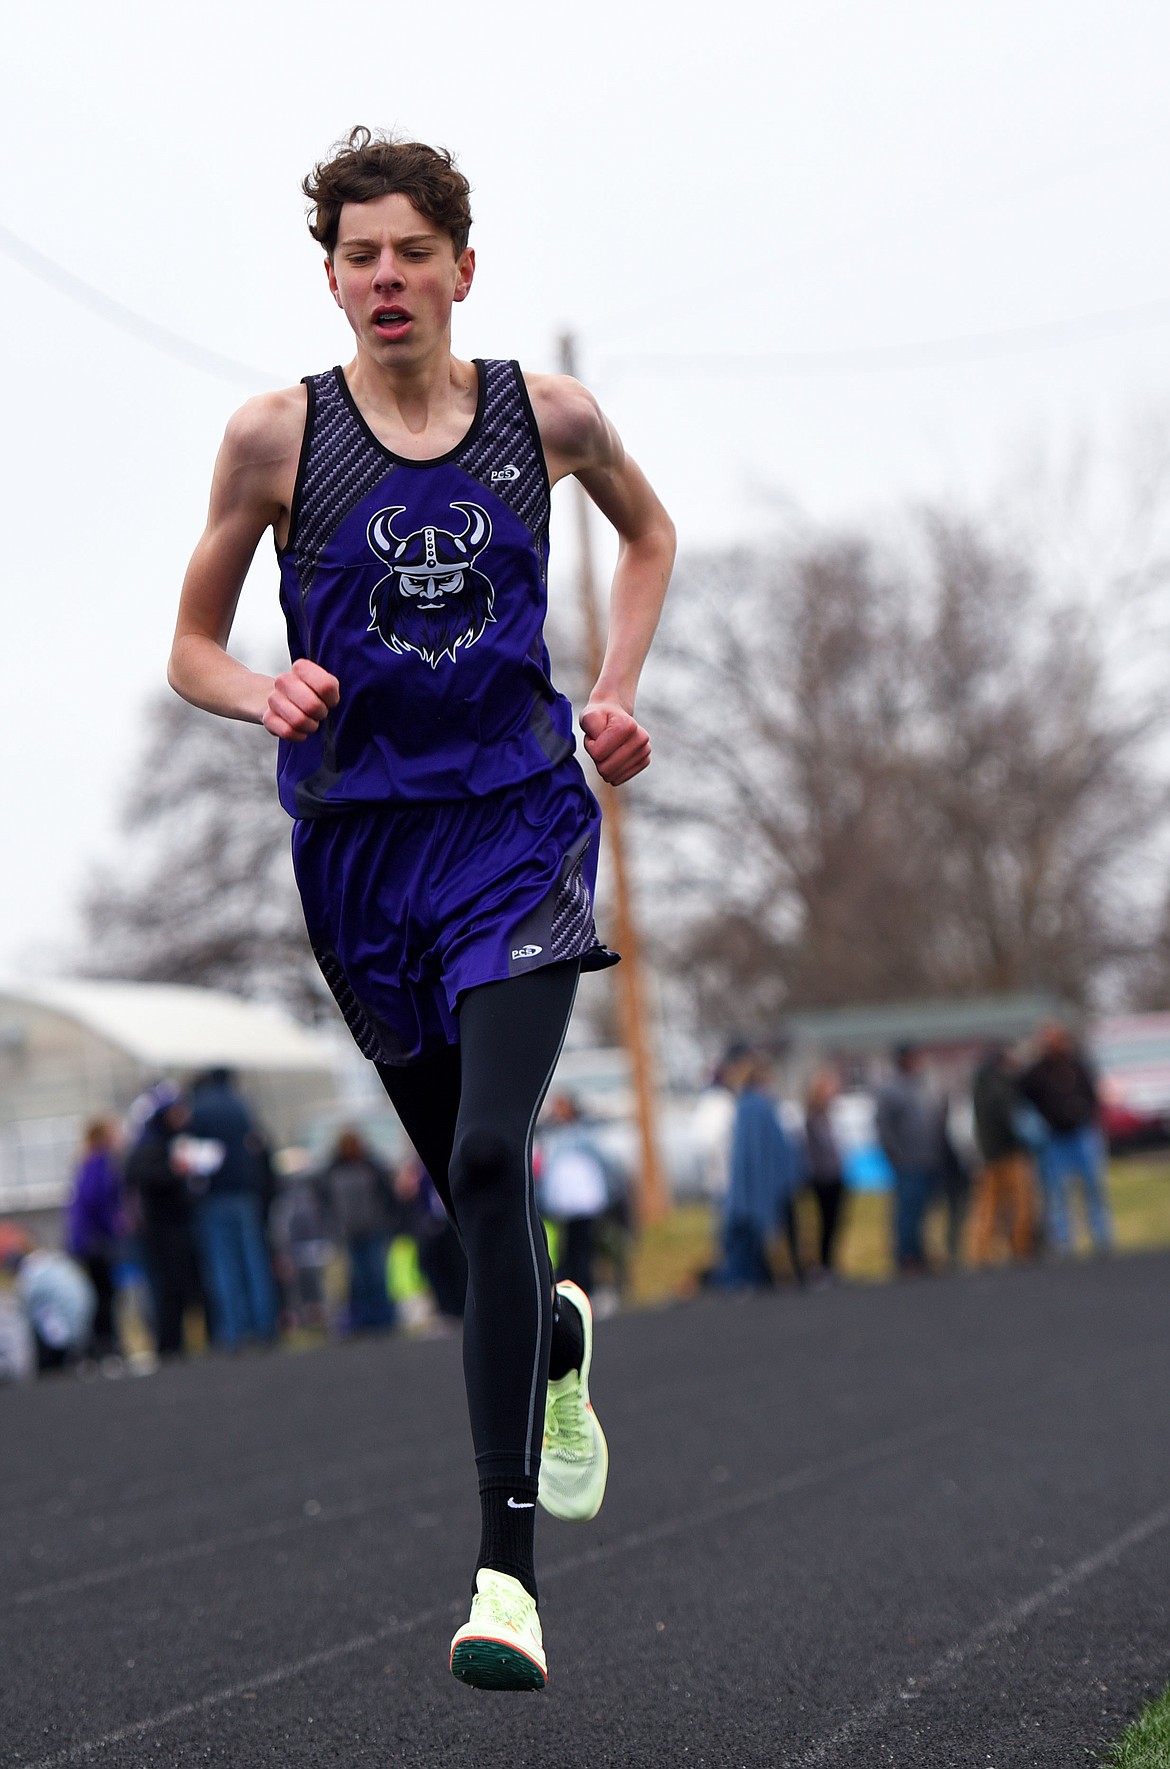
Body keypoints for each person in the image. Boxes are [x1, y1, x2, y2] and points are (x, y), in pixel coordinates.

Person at [168, 128, 674, 1689]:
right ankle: (559, 1343)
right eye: (358, 256)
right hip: (360, 857)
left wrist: (612, 693)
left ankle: (503, 1578)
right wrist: (263, 688)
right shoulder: (274, 440)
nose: (387, 279)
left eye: (411, 253)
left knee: (481, 1150)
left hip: (517, 826)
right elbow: (189, 643)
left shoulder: (550, 417)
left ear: (463, 266)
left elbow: (648, 536)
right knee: (476, 1214)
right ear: (330, 278)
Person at [184, 1068, 278, 1349]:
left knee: (224, 1266)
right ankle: (265, 1326)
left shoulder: (199, 1110)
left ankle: (234, 1331)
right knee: (254, 1261)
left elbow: (192, 1154)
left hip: (214, 1196)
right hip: (245, 1193)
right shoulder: (240, 1105)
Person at [713, 1046, 804, 1287]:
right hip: (763, 1186)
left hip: (759, 1186)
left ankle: (773, 1274)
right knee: (767, 1233)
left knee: (768, 1232)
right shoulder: (756, 1107)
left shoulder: (753, 1106)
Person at [1020, 1023, 1113, 1256]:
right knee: (1057, 1191)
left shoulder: (1077, 1065)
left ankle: (1101, 1236)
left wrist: (1088, 1114)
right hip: (1055, 1138)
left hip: (1081, 1133)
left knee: (1093, 1186)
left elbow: (1093, 1093)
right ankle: (1063, 1241)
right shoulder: (1036, 1072)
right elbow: (1021, 1100)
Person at [124, 1087, 203, 1358]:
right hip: (160, 1230)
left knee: (183, 1287)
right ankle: (169, 1345)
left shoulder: (179, 1140)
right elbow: (138, 1174)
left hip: (180, 1225)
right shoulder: (151, 1145)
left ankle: (181, 1343)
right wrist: (173, 1171)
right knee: (166, 1289)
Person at [317, 1129, 402, 1333]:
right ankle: (367, 1319)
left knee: (375, 1275)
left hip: (371, 1228)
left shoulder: (367, 1166)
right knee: (360, 1277)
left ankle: (382, 1319)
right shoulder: (341, 1169)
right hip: (352, 1231)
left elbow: (388, 1196)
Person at [875, 1046, 944, 1276]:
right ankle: (905, 1256)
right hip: (908, 1161)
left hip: (926, 1159)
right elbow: (884, 1127)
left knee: (921, 1210)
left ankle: (917, 1253)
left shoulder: (919, 1086)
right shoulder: (891, 1091)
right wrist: (895, 1154)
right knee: (907, 1211)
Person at [63, 1117, 126, 1361]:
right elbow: (95, 1201)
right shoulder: (99, 1162)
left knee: (102, 1293)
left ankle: (102, 1345)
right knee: (105, 1294)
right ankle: (105, 1345)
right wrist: (114, 1225)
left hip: (90, 1239)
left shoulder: (89, 1161)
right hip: (96, 1241)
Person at [537, 1094, 611, 1297]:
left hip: (583, 1202)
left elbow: (595, 1169)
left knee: (584, 1248)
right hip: (562, 1204)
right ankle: (567, 1290)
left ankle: (587, 1289)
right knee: (564, 1251)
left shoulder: (583, 1135)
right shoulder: (551, 1136)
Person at [968, 1046, 1037, 1264]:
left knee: (987, 1208)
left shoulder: (979, 1087)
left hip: (988, 1154)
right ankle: (1020, 1247)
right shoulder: (1001, 1087)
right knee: (1020, 1205)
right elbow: (1010, 1121)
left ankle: (980, 1252)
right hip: (1008, 1153)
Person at [803, 1071, 847, 1280]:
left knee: (833, 1223)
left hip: (833, 1176)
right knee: (825, 1223)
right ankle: (822, 1266)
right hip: (823, 1179)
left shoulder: (827, 1117)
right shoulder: (813, 1119)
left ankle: (829, 1264)